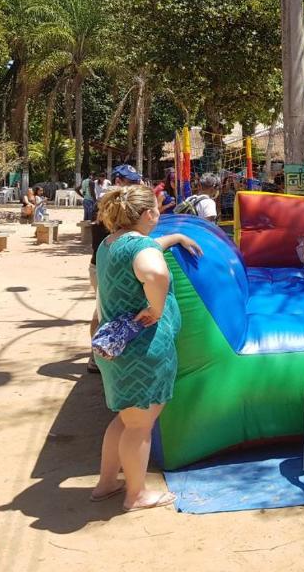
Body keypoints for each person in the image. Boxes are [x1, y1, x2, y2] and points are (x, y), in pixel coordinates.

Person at [89, 184, 202, 511]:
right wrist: (155, 307)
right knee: (139, 425)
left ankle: (107, 482)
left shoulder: (111, 244)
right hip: (142, 350)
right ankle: (136, 494)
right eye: (157, 208)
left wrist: (176, 238)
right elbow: (153, 270)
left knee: (125, 420)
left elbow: (147, 248)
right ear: (150, 214)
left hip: (116, 346)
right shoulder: (144, 251)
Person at [87, 165, 143, 374]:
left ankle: (98, 355)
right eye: (131, 181)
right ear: (118, 181)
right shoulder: (111, 204)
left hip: (106, 264)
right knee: (101, 313)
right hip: (103, 265)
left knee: (102, 310)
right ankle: (97, 357)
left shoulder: (119, 203)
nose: (135, 185)